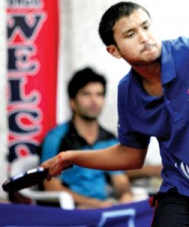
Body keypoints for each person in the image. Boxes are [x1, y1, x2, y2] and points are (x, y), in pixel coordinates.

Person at [41, 1, 189, 226]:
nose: (144, 38)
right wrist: (70, 157)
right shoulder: (128, 92)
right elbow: (130, 155)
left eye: (145, 27)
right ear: (114, 50)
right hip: (185, 192)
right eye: (130, 34)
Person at [40, 67, 133, 209]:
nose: (94, 100)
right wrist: (96, 205)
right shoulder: (56, 138)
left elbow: (119, 179)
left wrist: (125, 194)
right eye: (86, 94)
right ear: (72, 102)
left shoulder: (109, 139)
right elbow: (52, 187)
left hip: (104, 209)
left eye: (99, 94)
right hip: (71, 212)